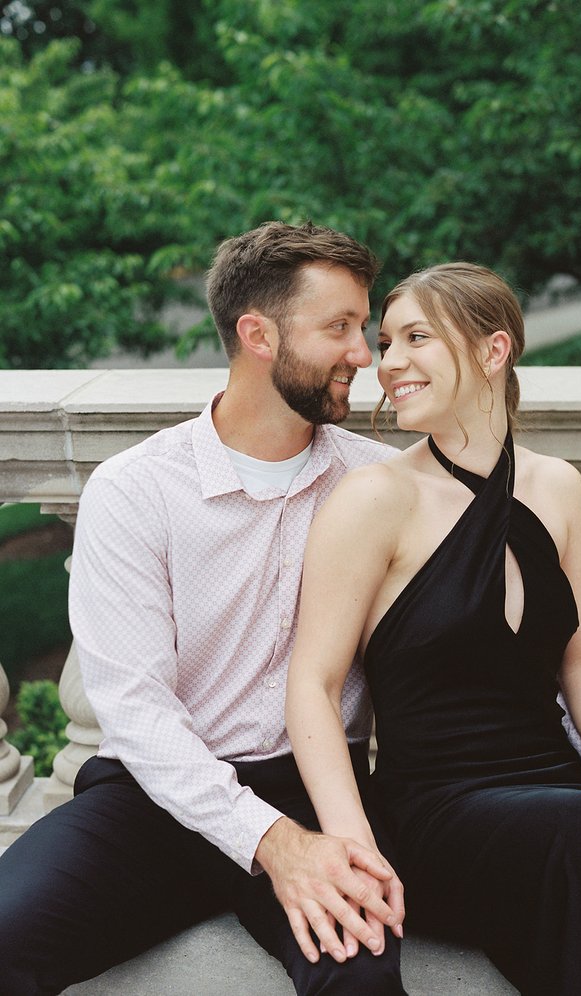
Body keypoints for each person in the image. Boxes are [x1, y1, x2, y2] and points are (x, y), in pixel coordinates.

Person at [286, 261, 581, 996]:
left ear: (493, 351)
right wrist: (351, 841)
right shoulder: (375, 498)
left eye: (416, 338)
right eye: (385, 341)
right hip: (439, 813)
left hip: (555, 788)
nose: (389, 362)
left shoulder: (557, 486)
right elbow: (313, 683)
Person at [0, 222, 409, 996]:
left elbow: (464, 643)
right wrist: (270, 842)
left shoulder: (380, 482)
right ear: (257, 334)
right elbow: (136, 710)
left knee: (361, 980)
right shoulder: (137, 489)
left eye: (365, 328)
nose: (366, 355)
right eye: (340, 328)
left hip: (322, 792)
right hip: (151, 800)